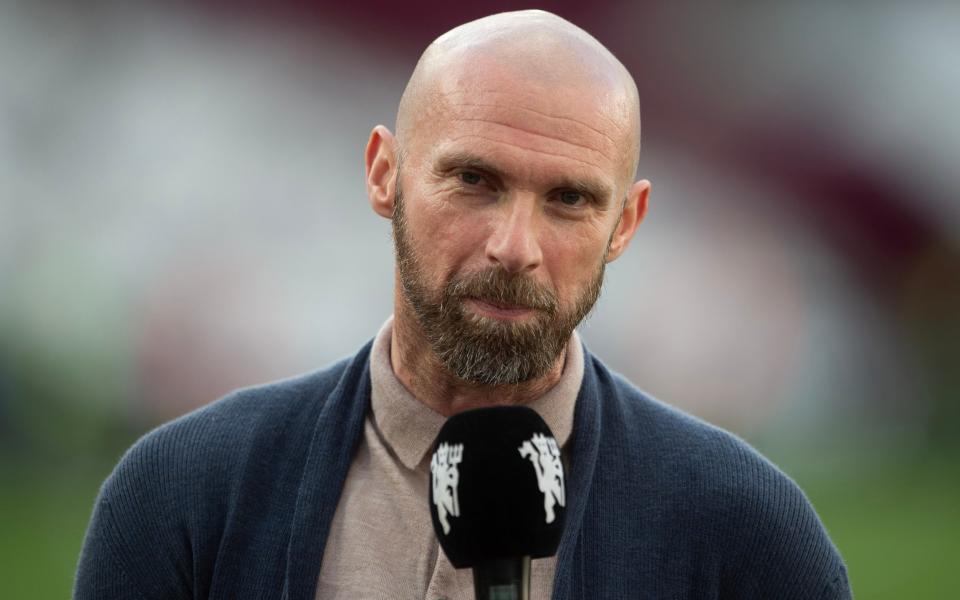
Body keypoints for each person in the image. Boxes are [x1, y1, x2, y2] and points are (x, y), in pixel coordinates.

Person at [74, 10, 851, 600]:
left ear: (627, 223)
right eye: (475, 180)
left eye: (571, 199)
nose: (516, 246)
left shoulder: (746, 531)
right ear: (385, 173)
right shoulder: (183, 496)